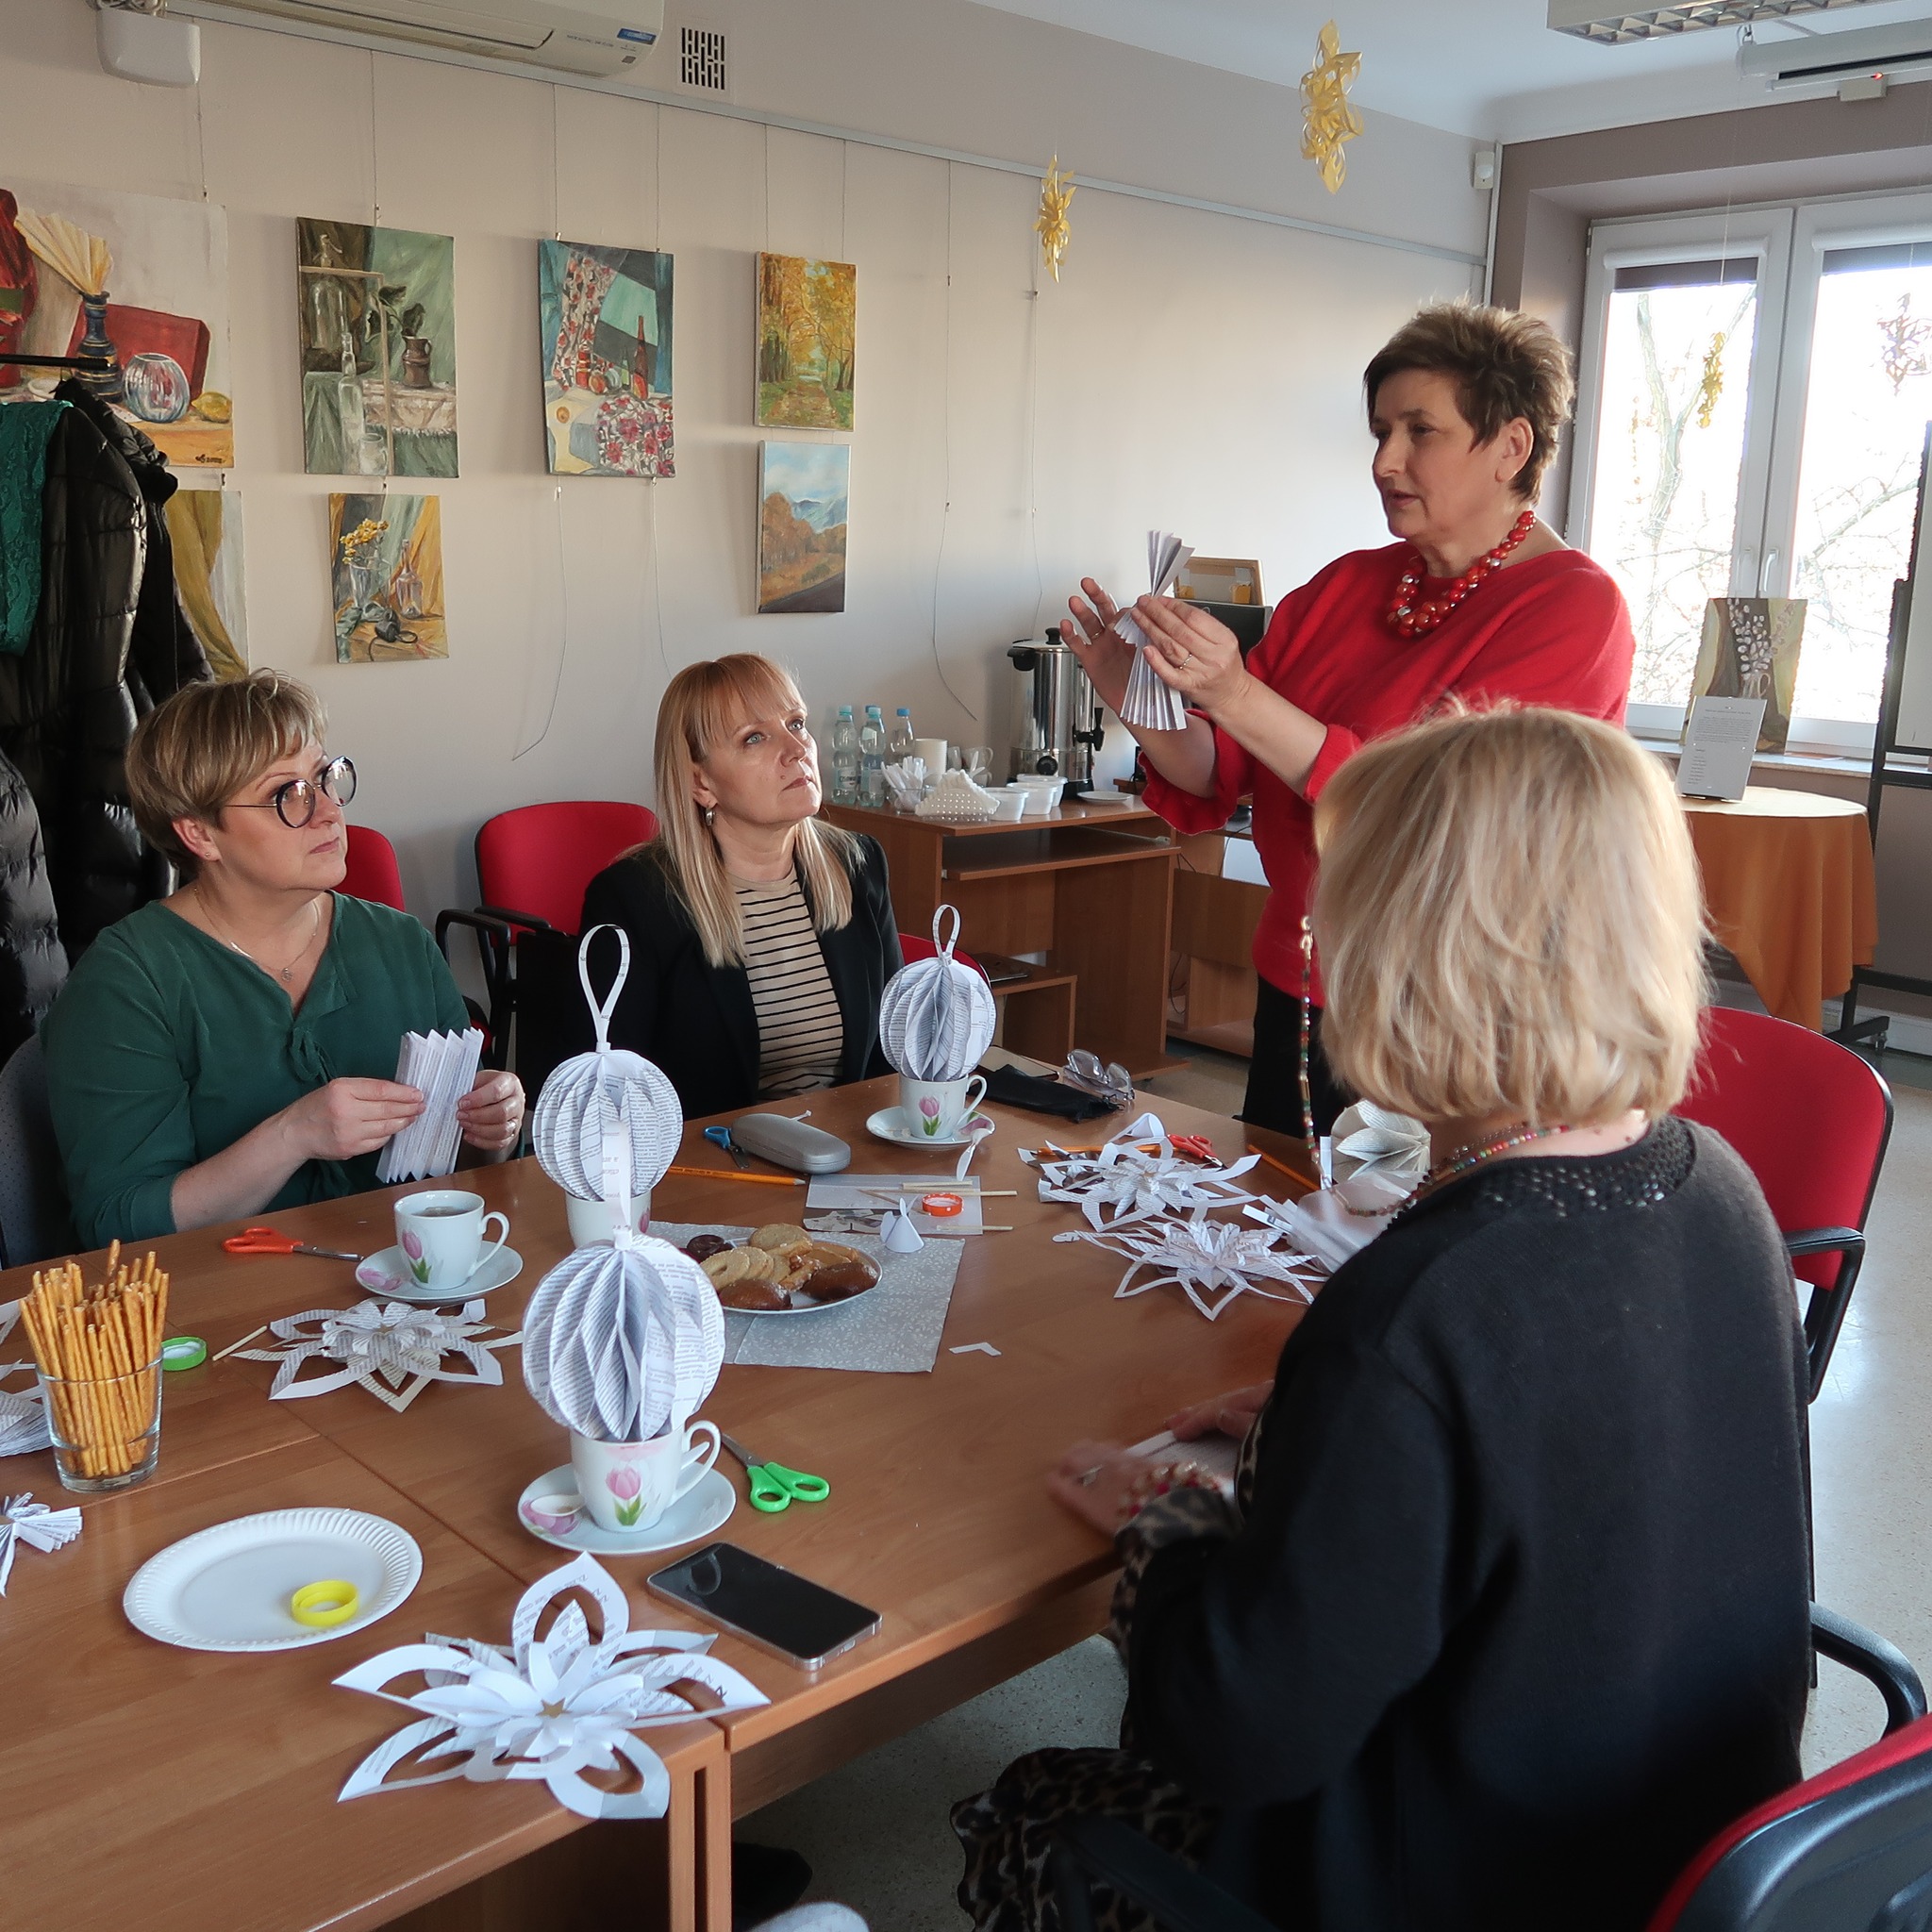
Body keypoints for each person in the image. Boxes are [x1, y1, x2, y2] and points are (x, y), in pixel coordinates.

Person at [954, 708, 1811, 1932]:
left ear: (1417, 956)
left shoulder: (1416, 1308)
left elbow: (1235, 1734)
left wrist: (1171, 1526)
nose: (1315, 941)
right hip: (1681, 1867)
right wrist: (1332, 1427)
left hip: (1460, 1886)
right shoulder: (1719, 1188)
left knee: (1029, 1805)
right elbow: (1580, 1444)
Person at [1062, 302, 1635, 1137]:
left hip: (1448, 1006)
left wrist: (1235, 693)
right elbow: (1218, 771)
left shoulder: (1573, 608)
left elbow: (1428, 813)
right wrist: (1138, 699)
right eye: (1379, 432)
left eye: (1419, 432)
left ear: (1512, 446)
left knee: (1403, 1221)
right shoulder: (1347, 585)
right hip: (1300, 985)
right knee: (1277, 1211)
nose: (1385, 461)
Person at [42, 671, 524, 1246]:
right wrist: (293, 1134)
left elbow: (460, 1177)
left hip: (399, 1277)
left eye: (324, 778)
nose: (328, 811)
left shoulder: (400, 943)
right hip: (225, 1294)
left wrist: (492, 1131)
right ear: (200, 835)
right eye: (286, 795)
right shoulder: (127, 982)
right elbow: (118, 1225)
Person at [582, 654, 902, 1118]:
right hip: (713, 1155)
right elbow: (612, 1096)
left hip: (848, 1146)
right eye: (754, 737)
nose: (797, 749)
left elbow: (891, 1050)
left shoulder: (858, 864)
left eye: (797, 723)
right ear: (701, 783)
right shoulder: (635, 899)